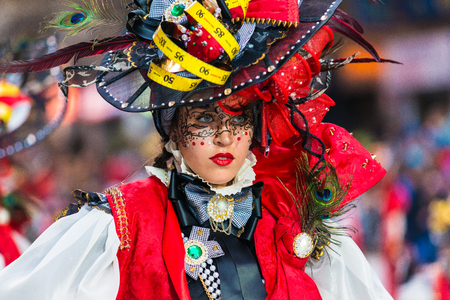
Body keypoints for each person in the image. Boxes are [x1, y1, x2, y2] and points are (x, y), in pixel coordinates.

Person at [0, 0, 395, 299]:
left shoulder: (289, 216)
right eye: (205, 119)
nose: (225, 137)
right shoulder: (121, 222)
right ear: (171, 128)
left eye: (239, 117)